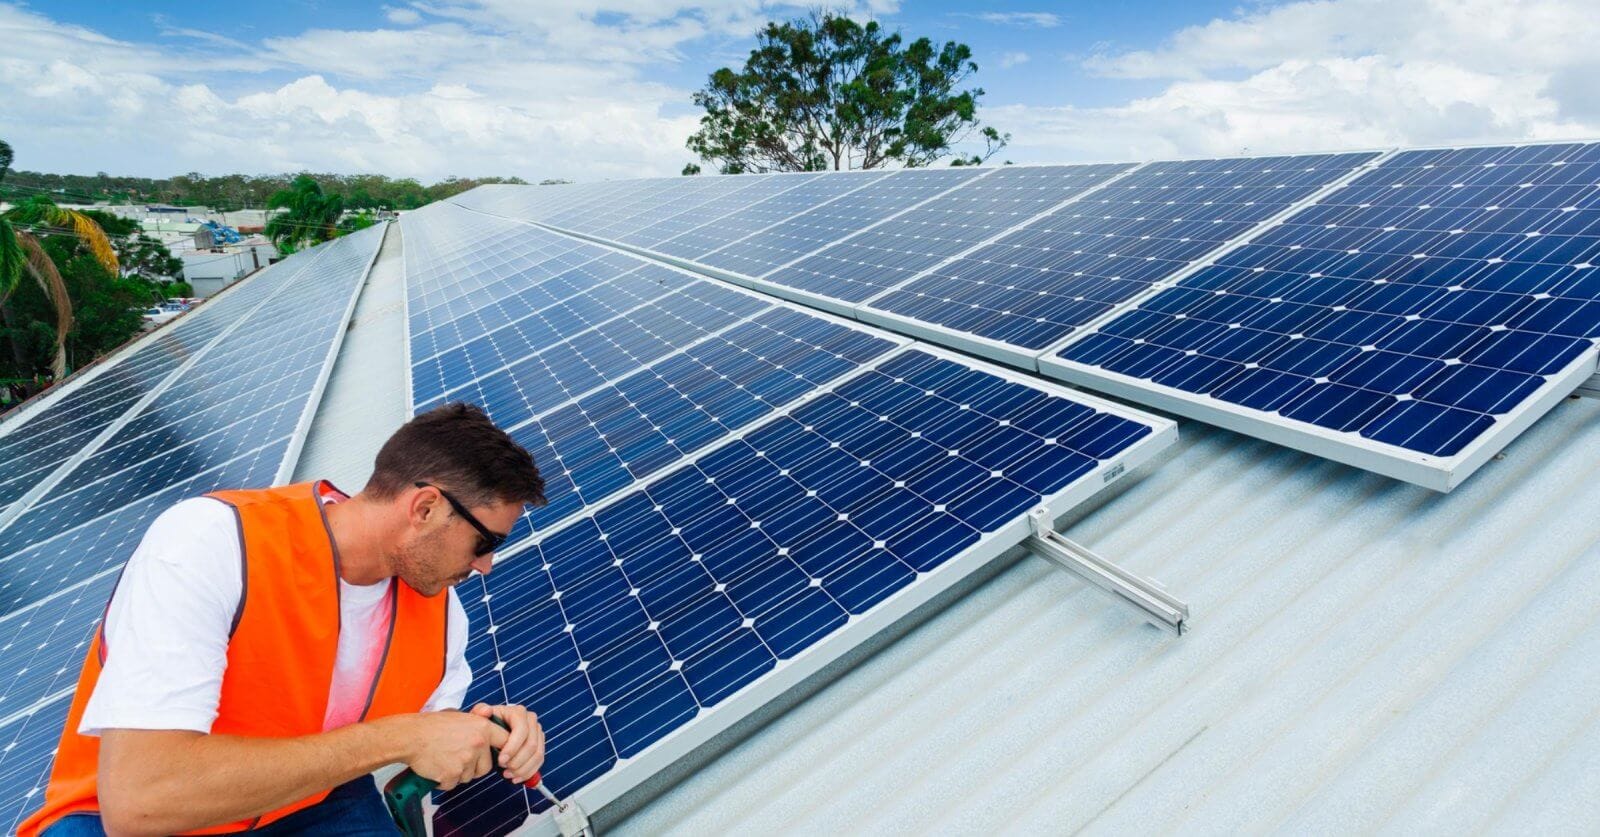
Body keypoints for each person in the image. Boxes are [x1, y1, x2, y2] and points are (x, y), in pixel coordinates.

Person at [21, 403, 548, 836]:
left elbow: (432, 737)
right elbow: (140, 802)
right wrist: (397, 737)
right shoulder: (212, 542)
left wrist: (489, 731)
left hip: (304, 805)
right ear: (426, 508)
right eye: (487, 542)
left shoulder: (440, 615)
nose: (486, 565)